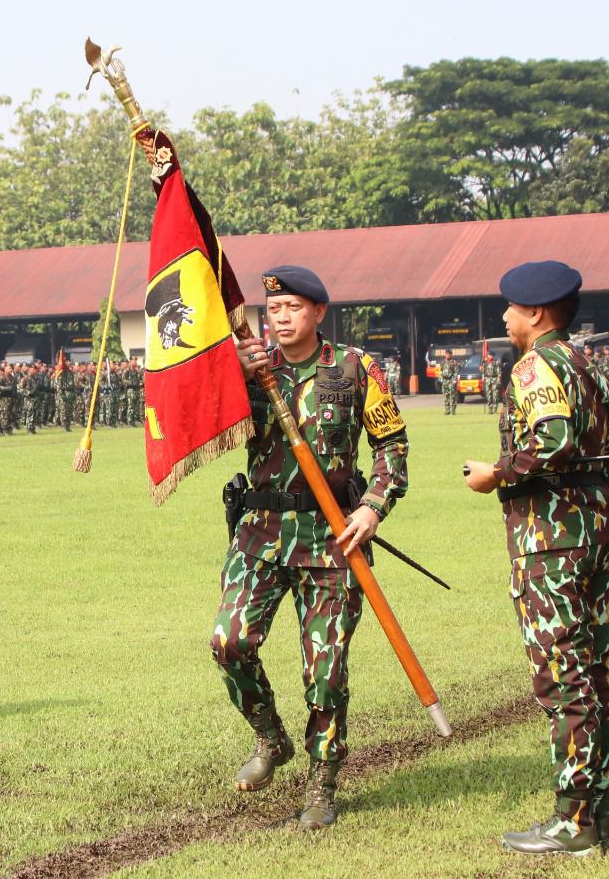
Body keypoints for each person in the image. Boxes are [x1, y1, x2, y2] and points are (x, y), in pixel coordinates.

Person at [218, 266, 408, 831]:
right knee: (229, 643)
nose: (281, 318)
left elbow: (392, 445)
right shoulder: (250, 369)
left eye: (294, 308)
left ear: (319, 312)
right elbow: (215, 432)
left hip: (332, 538)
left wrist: (373, 507)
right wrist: (235, 379)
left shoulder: (355, 368)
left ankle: (322, 779)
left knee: (325, 671)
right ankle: (270, 737)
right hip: (260, 533)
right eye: (273, 309)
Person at [463, 261, 609, 857]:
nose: (505, 316)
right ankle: (599, 811)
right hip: (594, 534)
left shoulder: (536, 365)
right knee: (596, 671)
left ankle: (574, 820)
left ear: (535, 313)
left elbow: (552, 440)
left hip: (553, 541)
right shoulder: (587, 364)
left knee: (564, 675)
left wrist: (494, 473)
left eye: (511, 307)